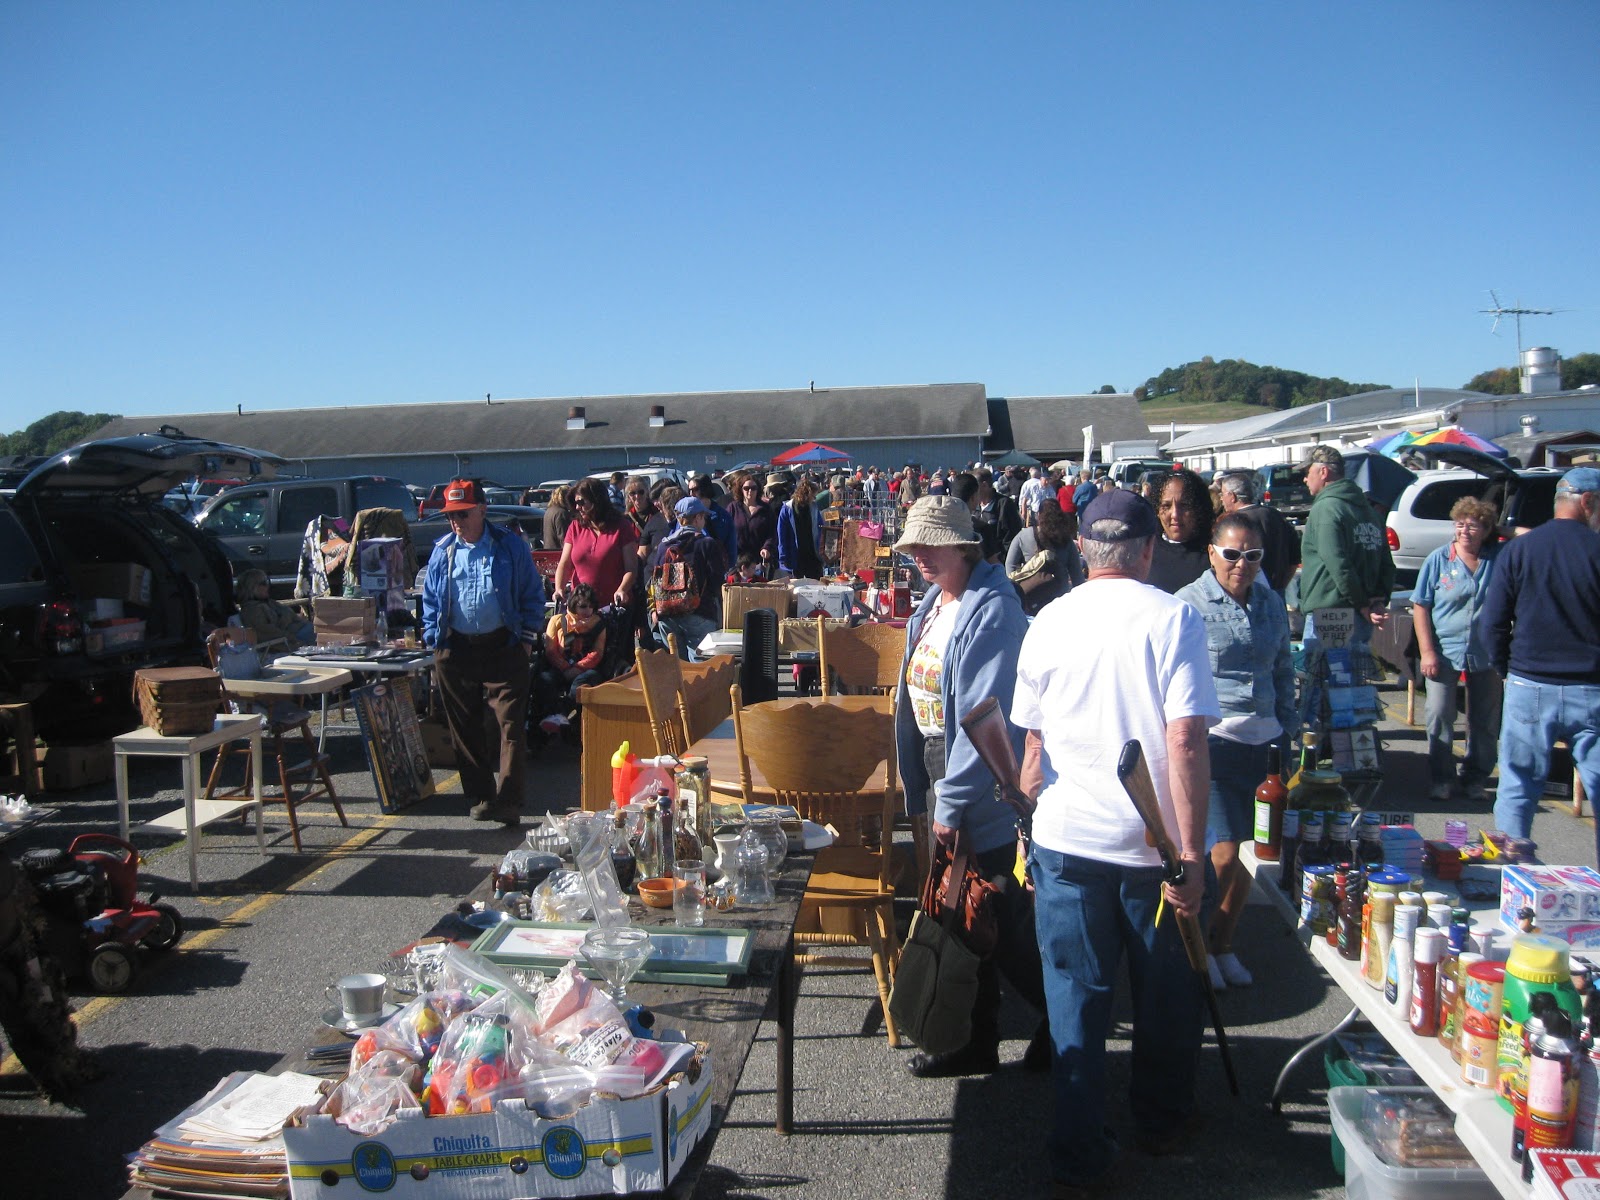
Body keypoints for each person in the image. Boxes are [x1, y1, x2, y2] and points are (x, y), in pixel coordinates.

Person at [1012, 487, 1219, 1192]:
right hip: (1151, 846)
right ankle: (1160, 1120)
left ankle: (1078, 1146)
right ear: (1147, 550)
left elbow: (1033, 747)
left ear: (1082, 549)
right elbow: (1185, 739)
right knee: (1164, 994)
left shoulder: (1049, 619)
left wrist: (1026, 834)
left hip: (1067, 836)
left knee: (1076, 999)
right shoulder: (1173, 617)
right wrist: (1192, 854)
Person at [892, 497, 1047, 1078]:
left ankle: (1065, 1021)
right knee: (965, 911)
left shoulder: (992, 610)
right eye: (914, 545)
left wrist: (951, 801)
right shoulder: (937, 601)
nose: (919, 555)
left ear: (963, 545)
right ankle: (974, 1040)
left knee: (995, 911)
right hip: (947, 764)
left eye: (931, 544)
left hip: (975, 774)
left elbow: (984, 717)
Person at [1176, 513, 1294, 990]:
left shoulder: (1271, 603)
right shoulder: (1188, 605)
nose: (1241, 564)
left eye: (1253, 555)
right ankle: (1198, 947)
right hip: (1216, 742)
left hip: (1267, 742)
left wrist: (1289, 732)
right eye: (1231, 554)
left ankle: (1223, 943)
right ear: (1212, 553)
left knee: (1252, 854)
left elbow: (1283, 670)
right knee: (1222, 855)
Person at [1475, 466, 1600, 844]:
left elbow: (1491, 623)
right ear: (1587, 501)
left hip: (1528, 682)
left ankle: (1513, 871)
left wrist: (1505, 669)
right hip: (1591, 687)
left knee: (1517, 785)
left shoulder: (1520, 550)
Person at [420, 479, 546, 826]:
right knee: (464, 727)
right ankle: (481, 797)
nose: (456, 521)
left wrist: (526, 639)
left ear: (482, 510)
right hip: (456, 648)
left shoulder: (509, 546)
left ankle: (509, 800)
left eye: (462, 513)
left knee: (510, 725)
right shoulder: (443, 551)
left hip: (504, 646)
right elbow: (429, 599)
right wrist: (434, 639)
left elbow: (532, 594)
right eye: (451, 515)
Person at [1412, 496, 1503, 802]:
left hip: (1486, 652)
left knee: (1485, 720)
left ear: (1487, 530)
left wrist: (1505, 531)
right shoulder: (1439, 559)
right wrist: (1427, 652)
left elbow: (1531, 538)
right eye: (1460, 524)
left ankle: (1475, 777)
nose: (1465, 531)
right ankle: (1442, 777)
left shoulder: (1498, 558)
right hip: (1444, 650)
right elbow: (1421, 606)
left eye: (1473, 526)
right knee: (1439, 713)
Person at [1298, 444, 1395, 649]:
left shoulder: (1325, 508)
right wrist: (1378, 601)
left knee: (1323, 668)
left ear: (1323, 471)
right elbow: (1387, 564)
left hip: (1330, 615)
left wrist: (1363, 605)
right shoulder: (1370, 512)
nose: (1305, 479)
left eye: (1307, 472)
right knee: (1355, 668)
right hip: (1364, 613)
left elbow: (1338, 564)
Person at [648, 496, 727, 658]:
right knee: (700, 667)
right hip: (699, 612)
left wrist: (653, 610)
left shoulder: (663, 546)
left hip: (667, 615)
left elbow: (653, 582)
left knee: (675, 667)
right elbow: (717, 581)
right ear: (697, 518)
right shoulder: (706, 544)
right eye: (703, 517)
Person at [552, 477, 639, 610]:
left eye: (581, 502)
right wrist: (559, 588)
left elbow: (631, 568)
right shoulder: (575, 527)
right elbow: (565, 564)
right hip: (581, 608)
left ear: (596, 501)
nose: (577, 507)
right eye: (575, 503)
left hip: (612, 608)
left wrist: (622, 589)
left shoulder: (622, 527)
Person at [535, 582, 607, 738]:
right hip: (560, 666)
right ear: (574, 605)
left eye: (591, 606)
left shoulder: (598, 624)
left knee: (582, 684)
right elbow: (551, 650)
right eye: (583, 606)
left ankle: (563, 715)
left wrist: (578, 668)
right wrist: (565, 668)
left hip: (586, 669)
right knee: (545, 680)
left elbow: (597, 653)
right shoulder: (558, 620)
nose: (587, 611)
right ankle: (548, 720)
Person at [1214, 470, 1300, 594]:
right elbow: (1295, 558)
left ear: (1232, 496)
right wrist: (1281, 587)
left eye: (1222, 494)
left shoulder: (1232, 524)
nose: (1221, 499)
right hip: (1277, 591)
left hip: (1245, 595)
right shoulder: (1275, 515)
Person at [1005, 499, 1085, 616]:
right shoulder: (1066, 539)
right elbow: (1077, 576)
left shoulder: (1024, 535)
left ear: (1038, 515)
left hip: (1030, 598)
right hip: (1059, 601)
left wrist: (1016, 591)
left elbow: (1010, 564)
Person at [1147, 468, 1213, 593]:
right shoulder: (1145, 552)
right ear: (1157, 511)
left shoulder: (1215, 553)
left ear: (1198, 508)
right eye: (1166, 506)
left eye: (1184, 505)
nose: (1175, 514)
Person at [235, 567, 315, 647]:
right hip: (291, 639)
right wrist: (294, 639)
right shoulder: (252, 611)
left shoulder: (268, 602)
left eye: (267, 582)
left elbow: (290, 616)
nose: (267, 586)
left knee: (319, 629)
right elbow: (268, 633)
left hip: (300, 631)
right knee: (318, 632)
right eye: (264, 583)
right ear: (252, 587)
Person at [777, 476, 824, 578]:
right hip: (794, 556)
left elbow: (821, 527)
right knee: (797, 585)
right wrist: (782, 557)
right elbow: (781, 534)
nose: (814, 498)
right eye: (813, 496)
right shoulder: (787, 508)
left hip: (813, 555)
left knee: (816, 583)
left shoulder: (814, 507)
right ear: (806, 494)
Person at [730, 473, 778, 570]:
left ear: (758, 490)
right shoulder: (733, 508)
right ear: (741, 490)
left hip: (760, 562)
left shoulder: (766, 509)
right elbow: (726, 532)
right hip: (738, 562)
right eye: (746, 488)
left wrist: (767, 547)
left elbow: (772, 533)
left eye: (753, 488)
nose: (750, 491)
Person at [691, 474, 738, 565]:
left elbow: (731, 549)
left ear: (705, 489)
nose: (691, 494)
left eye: (695, 490)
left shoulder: (723, 516)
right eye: (689, 490)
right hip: (696, 568)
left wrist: (727, 568)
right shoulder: (687, 516)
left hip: (719, 568)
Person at [542, 485, 574, 552]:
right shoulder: (561, 513)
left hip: (548, 550)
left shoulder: (548, 511)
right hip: (559, 552)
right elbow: (564, 537)